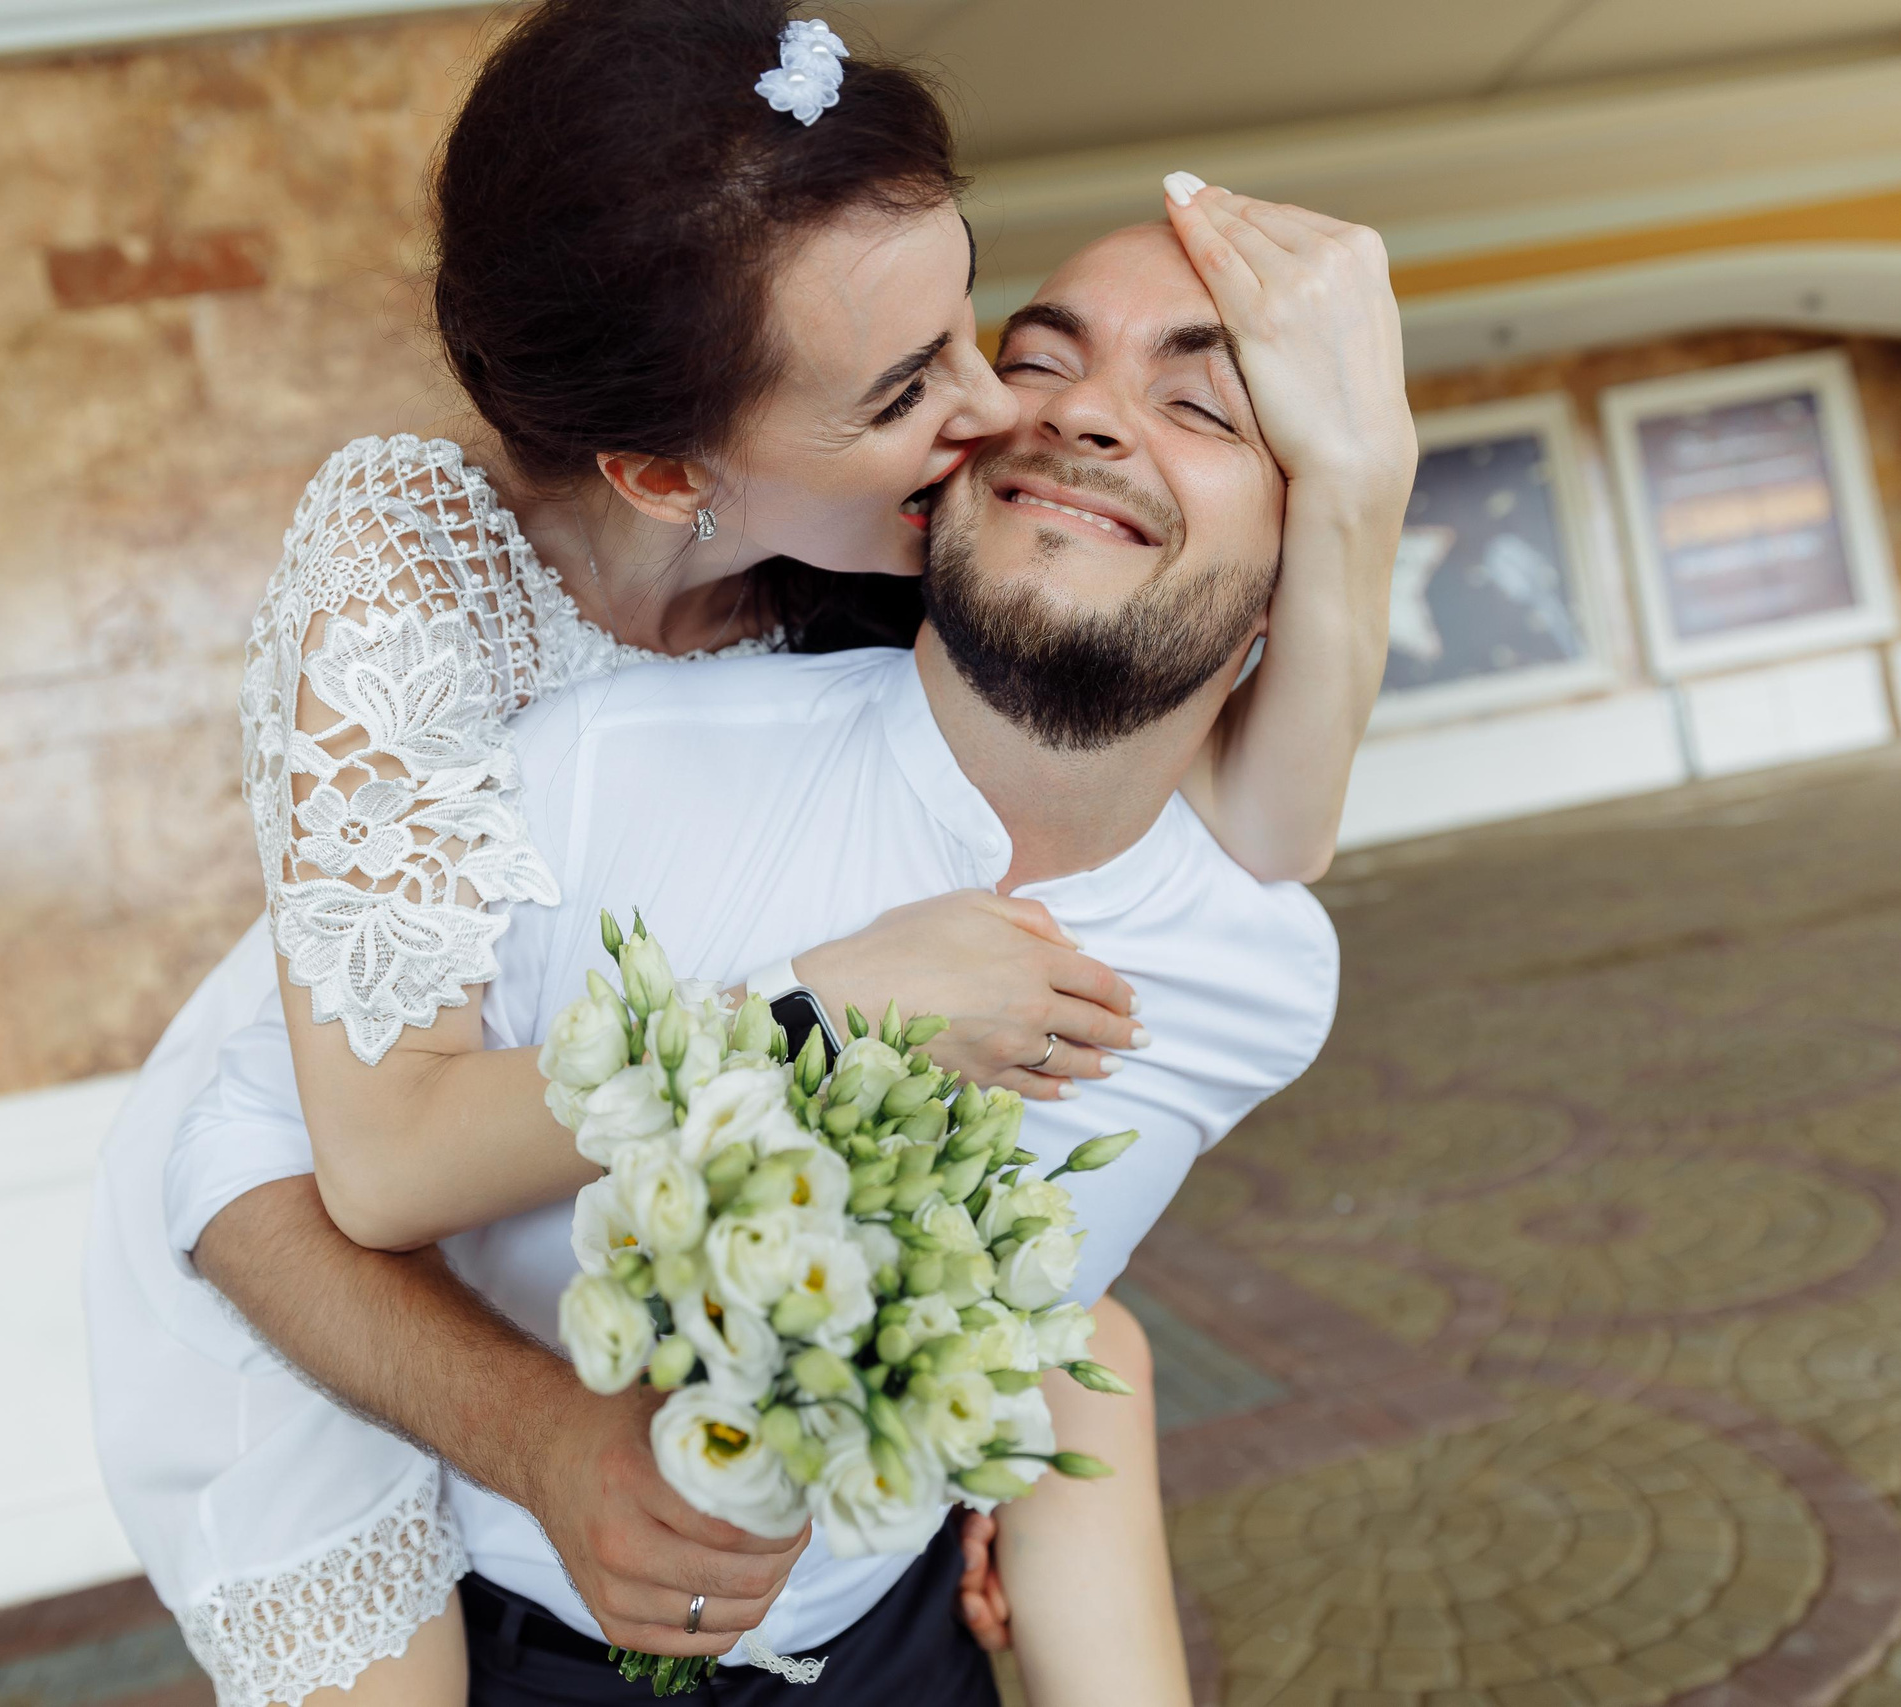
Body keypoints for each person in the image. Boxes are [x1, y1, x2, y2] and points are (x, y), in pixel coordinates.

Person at [85, 0, 1411, 1700]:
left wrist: (1360, 476)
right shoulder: (407, 603)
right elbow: (376, 1165)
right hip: (345, 1129)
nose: (996, 411)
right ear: (665, 472)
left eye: (969, 324)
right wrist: (828, 1010)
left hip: (593, 1146)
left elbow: (1261, 838)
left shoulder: (884, 527)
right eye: (902, 387)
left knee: (1089, 1353)